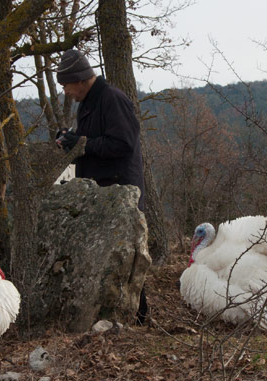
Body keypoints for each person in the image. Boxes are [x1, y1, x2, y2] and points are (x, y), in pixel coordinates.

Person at [55, 48, 149, 323]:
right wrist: (70, 138)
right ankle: (113, 316)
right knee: (108, 258)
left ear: (81, 80)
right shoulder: (88, 102)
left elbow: (123, 144)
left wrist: (82, 144)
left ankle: (139, 317)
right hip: (103, 192)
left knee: (126, 258)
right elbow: (94, 137)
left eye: (67, 86)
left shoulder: (112, 99)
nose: (66, 92)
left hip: (121, 192)